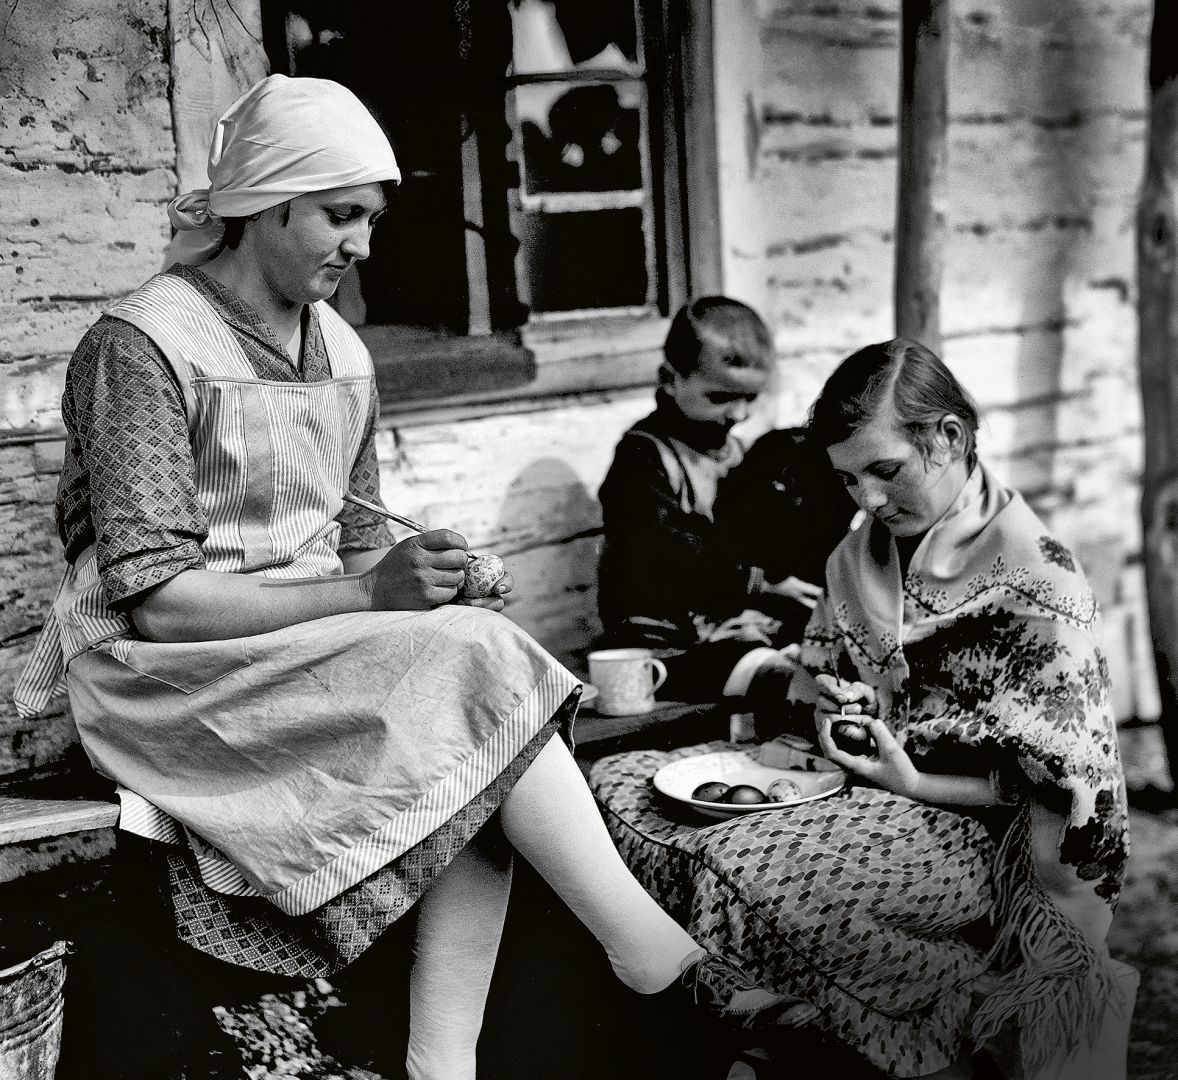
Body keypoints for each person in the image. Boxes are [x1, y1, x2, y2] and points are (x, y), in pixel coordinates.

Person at [12, 75, 813, 1080]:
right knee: (477, 681)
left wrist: (429, 580)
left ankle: (453, 1061)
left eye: (373, 221)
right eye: (340, 216)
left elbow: (357, 544)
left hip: (297, 648)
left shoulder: (340, 350)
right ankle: (641, 956)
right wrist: (370, 597)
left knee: (478, 689)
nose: (362, 245)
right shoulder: (145, 345)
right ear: (266, 204)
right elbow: (159, 603)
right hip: (166, 673)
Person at [588, 338, 1129, 1078]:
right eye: (848, 479)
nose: (867, 501)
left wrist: (916, 781)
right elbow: (823, 673)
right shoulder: (857, 558)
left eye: (886, 471)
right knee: (618, 788)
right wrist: (828, 702)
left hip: (981, 830)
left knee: (743, 869)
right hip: (860, 789)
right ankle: (796, 1034)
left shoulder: (1038, 582)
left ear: (950, 438)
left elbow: (1071, 791)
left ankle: (920, 1038)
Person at [596, 297, 819, 716]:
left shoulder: (737, 453)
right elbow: (660, 552)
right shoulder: (644, 458)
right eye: (720, 397)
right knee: (760, 670)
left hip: (727, 620)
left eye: (750, 398)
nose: (738, 413)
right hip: (662, 633)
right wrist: (758, 583)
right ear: (670, 379)